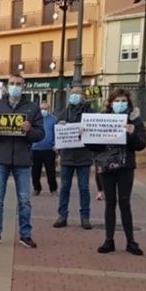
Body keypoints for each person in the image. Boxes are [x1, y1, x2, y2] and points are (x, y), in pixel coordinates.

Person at [0, 74, 44, 248]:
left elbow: (41, 134)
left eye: (18, 84)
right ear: (7, 86)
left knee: (24, 200)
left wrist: (30, 130)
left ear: (23, 86)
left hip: (23, 160)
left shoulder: (32, 108)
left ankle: (25, 235)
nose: (15, 86)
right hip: (0, 159)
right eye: (12, 83)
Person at [88, 89, 146, 255]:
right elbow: (95, 146)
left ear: (128, 103)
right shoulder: (103, 118)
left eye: (123, 101)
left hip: (125, 166)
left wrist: (132, 133)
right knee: (110, 203)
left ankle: (131, 241)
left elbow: (141, 144)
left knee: (124, 202)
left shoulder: (135, 120)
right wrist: (85, 136)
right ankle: (109, 240)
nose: (120, 104)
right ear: (111, 103)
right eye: (117, 101)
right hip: (107, 166)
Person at [53, 87, 94, 229]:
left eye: (77, 93)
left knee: (84, 188)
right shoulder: (65, 111)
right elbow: (57, 128)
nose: (74, 95)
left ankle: (85, 217)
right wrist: (60, 125)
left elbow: (95, 130)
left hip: (84, 156)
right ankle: (62, 216)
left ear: (83, 96)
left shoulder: (90, 112)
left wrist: (87, 129)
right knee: (64, 187)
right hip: (67, 156)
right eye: (72, 93)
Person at [31, 101, 58, 196]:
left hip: (49, 149)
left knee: (51, 171)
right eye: (42, 108)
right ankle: (36, 188)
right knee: (35, 171)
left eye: (45, 109)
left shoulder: (54, 119)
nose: (43, 110)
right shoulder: (34, 119)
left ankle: (53, 189)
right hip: (35, 149)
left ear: (49, 109)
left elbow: (57, 133)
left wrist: (56, 144)